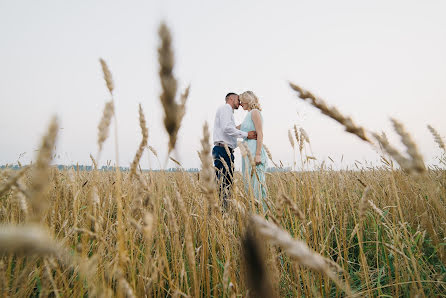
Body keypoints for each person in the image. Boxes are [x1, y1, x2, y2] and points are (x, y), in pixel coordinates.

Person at [213, 92, 257, 209]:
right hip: (223, 151)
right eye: (238, 99)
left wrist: (245, 128)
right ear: (231, 98)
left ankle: (223, 213)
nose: (240, 102)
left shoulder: (227, 112)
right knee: (224, 184)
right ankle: (223, 214)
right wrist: (246, 134)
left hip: (225, 151)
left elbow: (229, 131)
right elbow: (227, 129)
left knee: (225, 184)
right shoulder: (226, 109)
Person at [239, 91, 268, 211]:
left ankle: (263, 216)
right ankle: (255, 216)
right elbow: (235, 129)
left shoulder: (255, 112)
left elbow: (260, 133)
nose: (240, 104)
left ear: (248, 100)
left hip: (255, 152)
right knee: (249, 186)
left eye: (241, 101)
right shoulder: (248, 115)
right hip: (247, 154)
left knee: (257, 186)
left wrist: (257, 154)